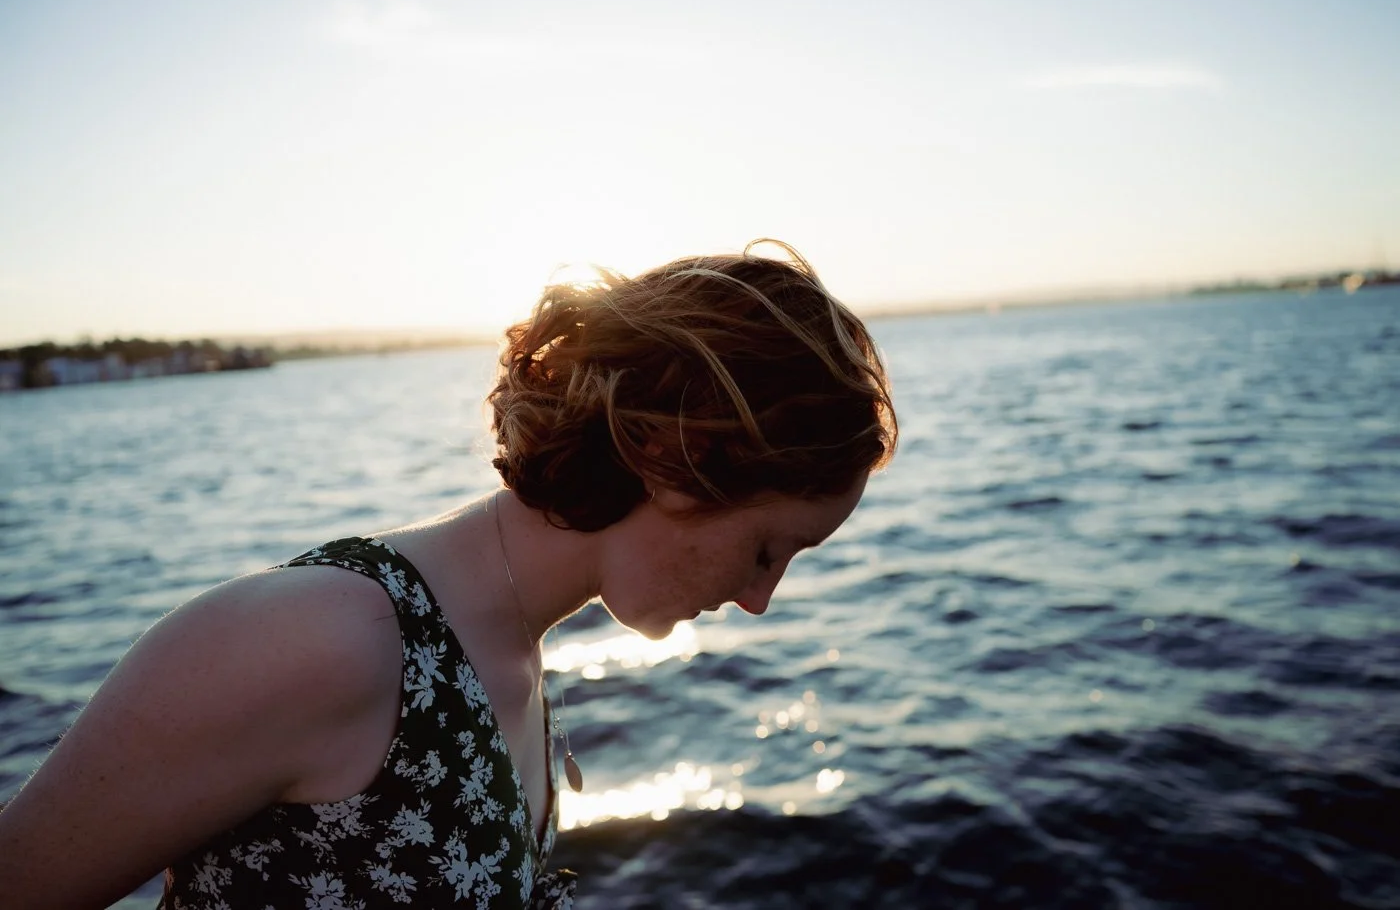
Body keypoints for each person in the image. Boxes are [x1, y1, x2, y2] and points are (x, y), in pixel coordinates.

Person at [0, 239, 897, 909]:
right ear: (674, 457)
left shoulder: (511, 654)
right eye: (767, 548)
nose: (758, 599)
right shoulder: (327, 642)